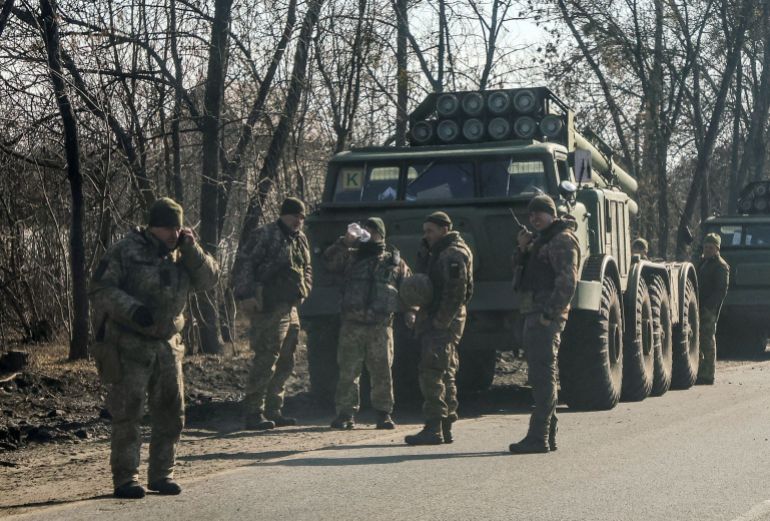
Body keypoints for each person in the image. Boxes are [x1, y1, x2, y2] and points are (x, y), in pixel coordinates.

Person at [89, 197, 219, 498]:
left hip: (167, 344)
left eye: (177, 228)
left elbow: (210, 278)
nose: (173, 234)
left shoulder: (184, 254)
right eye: (167, 229)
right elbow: (101, 289)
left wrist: (192, 249)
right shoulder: (126, 250)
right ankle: (126, 478)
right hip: (129, 343)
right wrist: (132, 309)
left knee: (172, 413)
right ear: (152, 228)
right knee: (128, 412)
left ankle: (162, 474)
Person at [323, 218, 414, 430]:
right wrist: (346, 241)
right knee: (348, 371)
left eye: (373, 231)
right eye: (367, 230)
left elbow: (408, 288)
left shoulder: (395, 262)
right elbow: (328, 262)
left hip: (380, 326)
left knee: (382, 371)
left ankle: (383, 414)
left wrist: (411, 311)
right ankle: (345, 414)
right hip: (352, 325)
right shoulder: (350, 257)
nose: (369, 234)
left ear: (381, 235)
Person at [232, 197, 312, 429]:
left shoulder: (300, 239)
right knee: (267, 358)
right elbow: (244, 263)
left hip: (291, 307)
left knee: (287, 360)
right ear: (284, 215)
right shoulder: (264, 234)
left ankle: (274, 409)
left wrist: (305, 289)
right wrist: (246, 294)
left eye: (302, 217)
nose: (299, 220)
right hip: (267, 306)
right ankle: (253, 412)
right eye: (295, 215)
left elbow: (307, 267)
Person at [509, 195, 579, 454]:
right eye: (531, 215)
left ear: (552, 214)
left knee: (542, 377)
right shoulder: (541, 241)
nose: (534, 218)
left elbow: (567, 282)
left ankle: (539, 436)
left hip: (544, 316)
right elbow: (519, 271)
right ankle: (546, 434)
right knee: (540, 375)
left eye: (540, 213)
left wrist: (549, 314)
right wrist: (523, 248)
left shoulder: (561, 240)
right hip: (534, 313)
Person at [404, 211, 473, 446]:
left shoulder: (453, 254)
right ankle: (445, 425)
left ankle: (434, 426)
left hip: (443, 321)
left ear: (444, 229)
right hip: (439, 319)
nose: (427, 235)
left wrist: (440, 322)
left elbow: (456, 293)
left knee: (432, 372)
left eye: (430, 231)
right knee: (445, 371)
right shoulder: (438, 251)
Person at [696, 233, 730, 385]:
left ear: (717, 249)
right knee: (698, 340)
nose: (707, 250)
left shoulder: (721, 266)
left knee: (708, 340)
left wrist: (709, 307)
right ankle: (700, 371)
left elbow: (720, 290)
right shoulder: (702, 262)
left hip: (709, 309)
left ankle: (708, 374)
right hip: (699, 305)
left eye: (711, 247)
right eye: (705, 247)